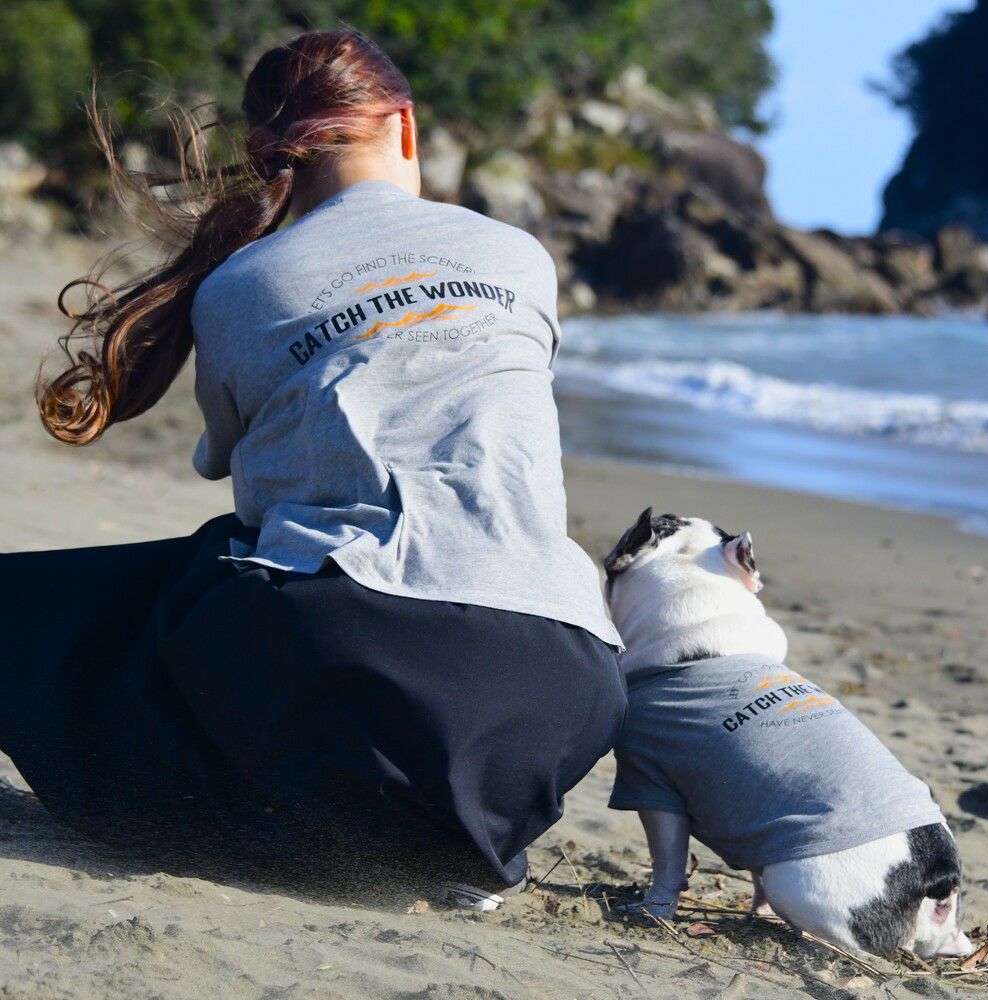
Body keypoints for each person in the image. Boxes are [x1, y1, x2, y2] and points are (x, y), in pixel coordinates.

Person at [2, 28, 626, 895]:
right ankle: (452, 840)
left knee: (150, 586)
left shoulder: (240, 286)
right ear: (405, 125)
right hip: (569, 682)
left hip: (359, 654)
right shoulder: (521, 257)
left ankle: (335, 822)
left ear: (268, 156)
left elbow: (238, 480)